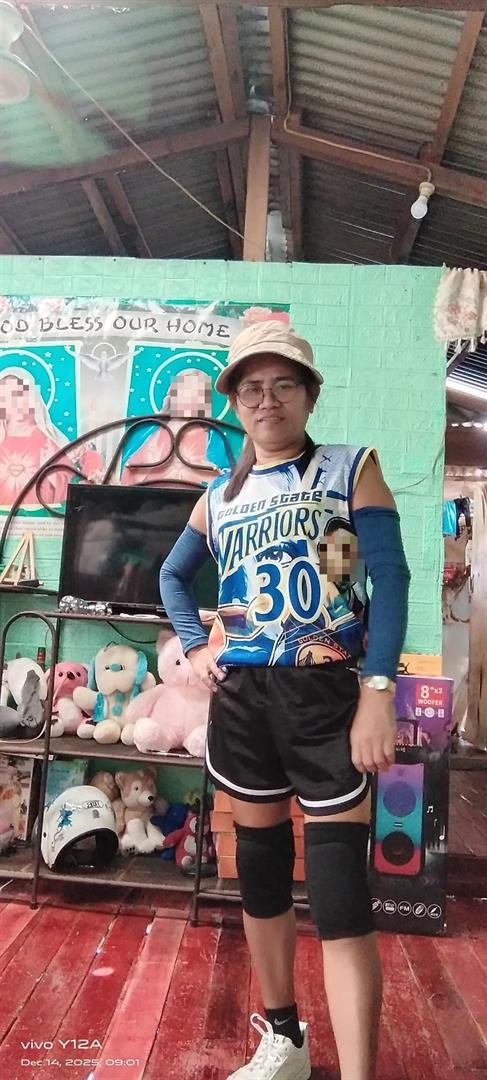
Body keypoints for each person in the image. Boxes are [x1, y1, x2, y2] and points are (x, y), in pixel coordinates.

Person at [159, 321, 410, 1080]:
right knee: (262, 878)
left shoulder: (349, 469)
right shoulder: (219, 496)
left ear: (308, 394)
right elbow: (172, 577)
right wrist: (195, 646)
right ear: (235, 402)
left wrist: (377, 689)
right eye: (252, 388)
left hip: (326, 695)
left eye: (283, 384)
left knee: (338, 895)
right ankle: (286, 1040)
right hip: (244, 702)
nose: (267, 400)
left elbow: (385, 578)